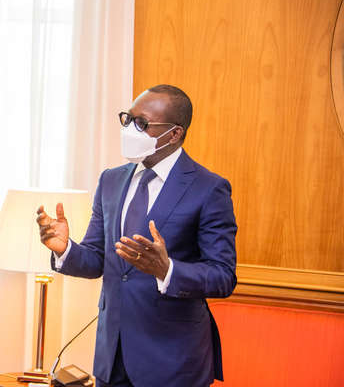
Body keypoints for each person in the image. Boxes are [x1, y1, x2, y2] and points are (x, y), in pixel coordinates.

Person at [37, 85, 237, 387]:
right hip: (112, 358)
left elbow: (223, 276)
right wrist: (65, 249)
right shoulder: (111, 180)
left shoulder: (208, 188)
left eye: (142, 124)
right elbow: (97, 259)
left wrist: (167, 270)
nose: (130, 129)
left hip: (174, 362)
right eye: (128, 119)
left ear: (174, 134)